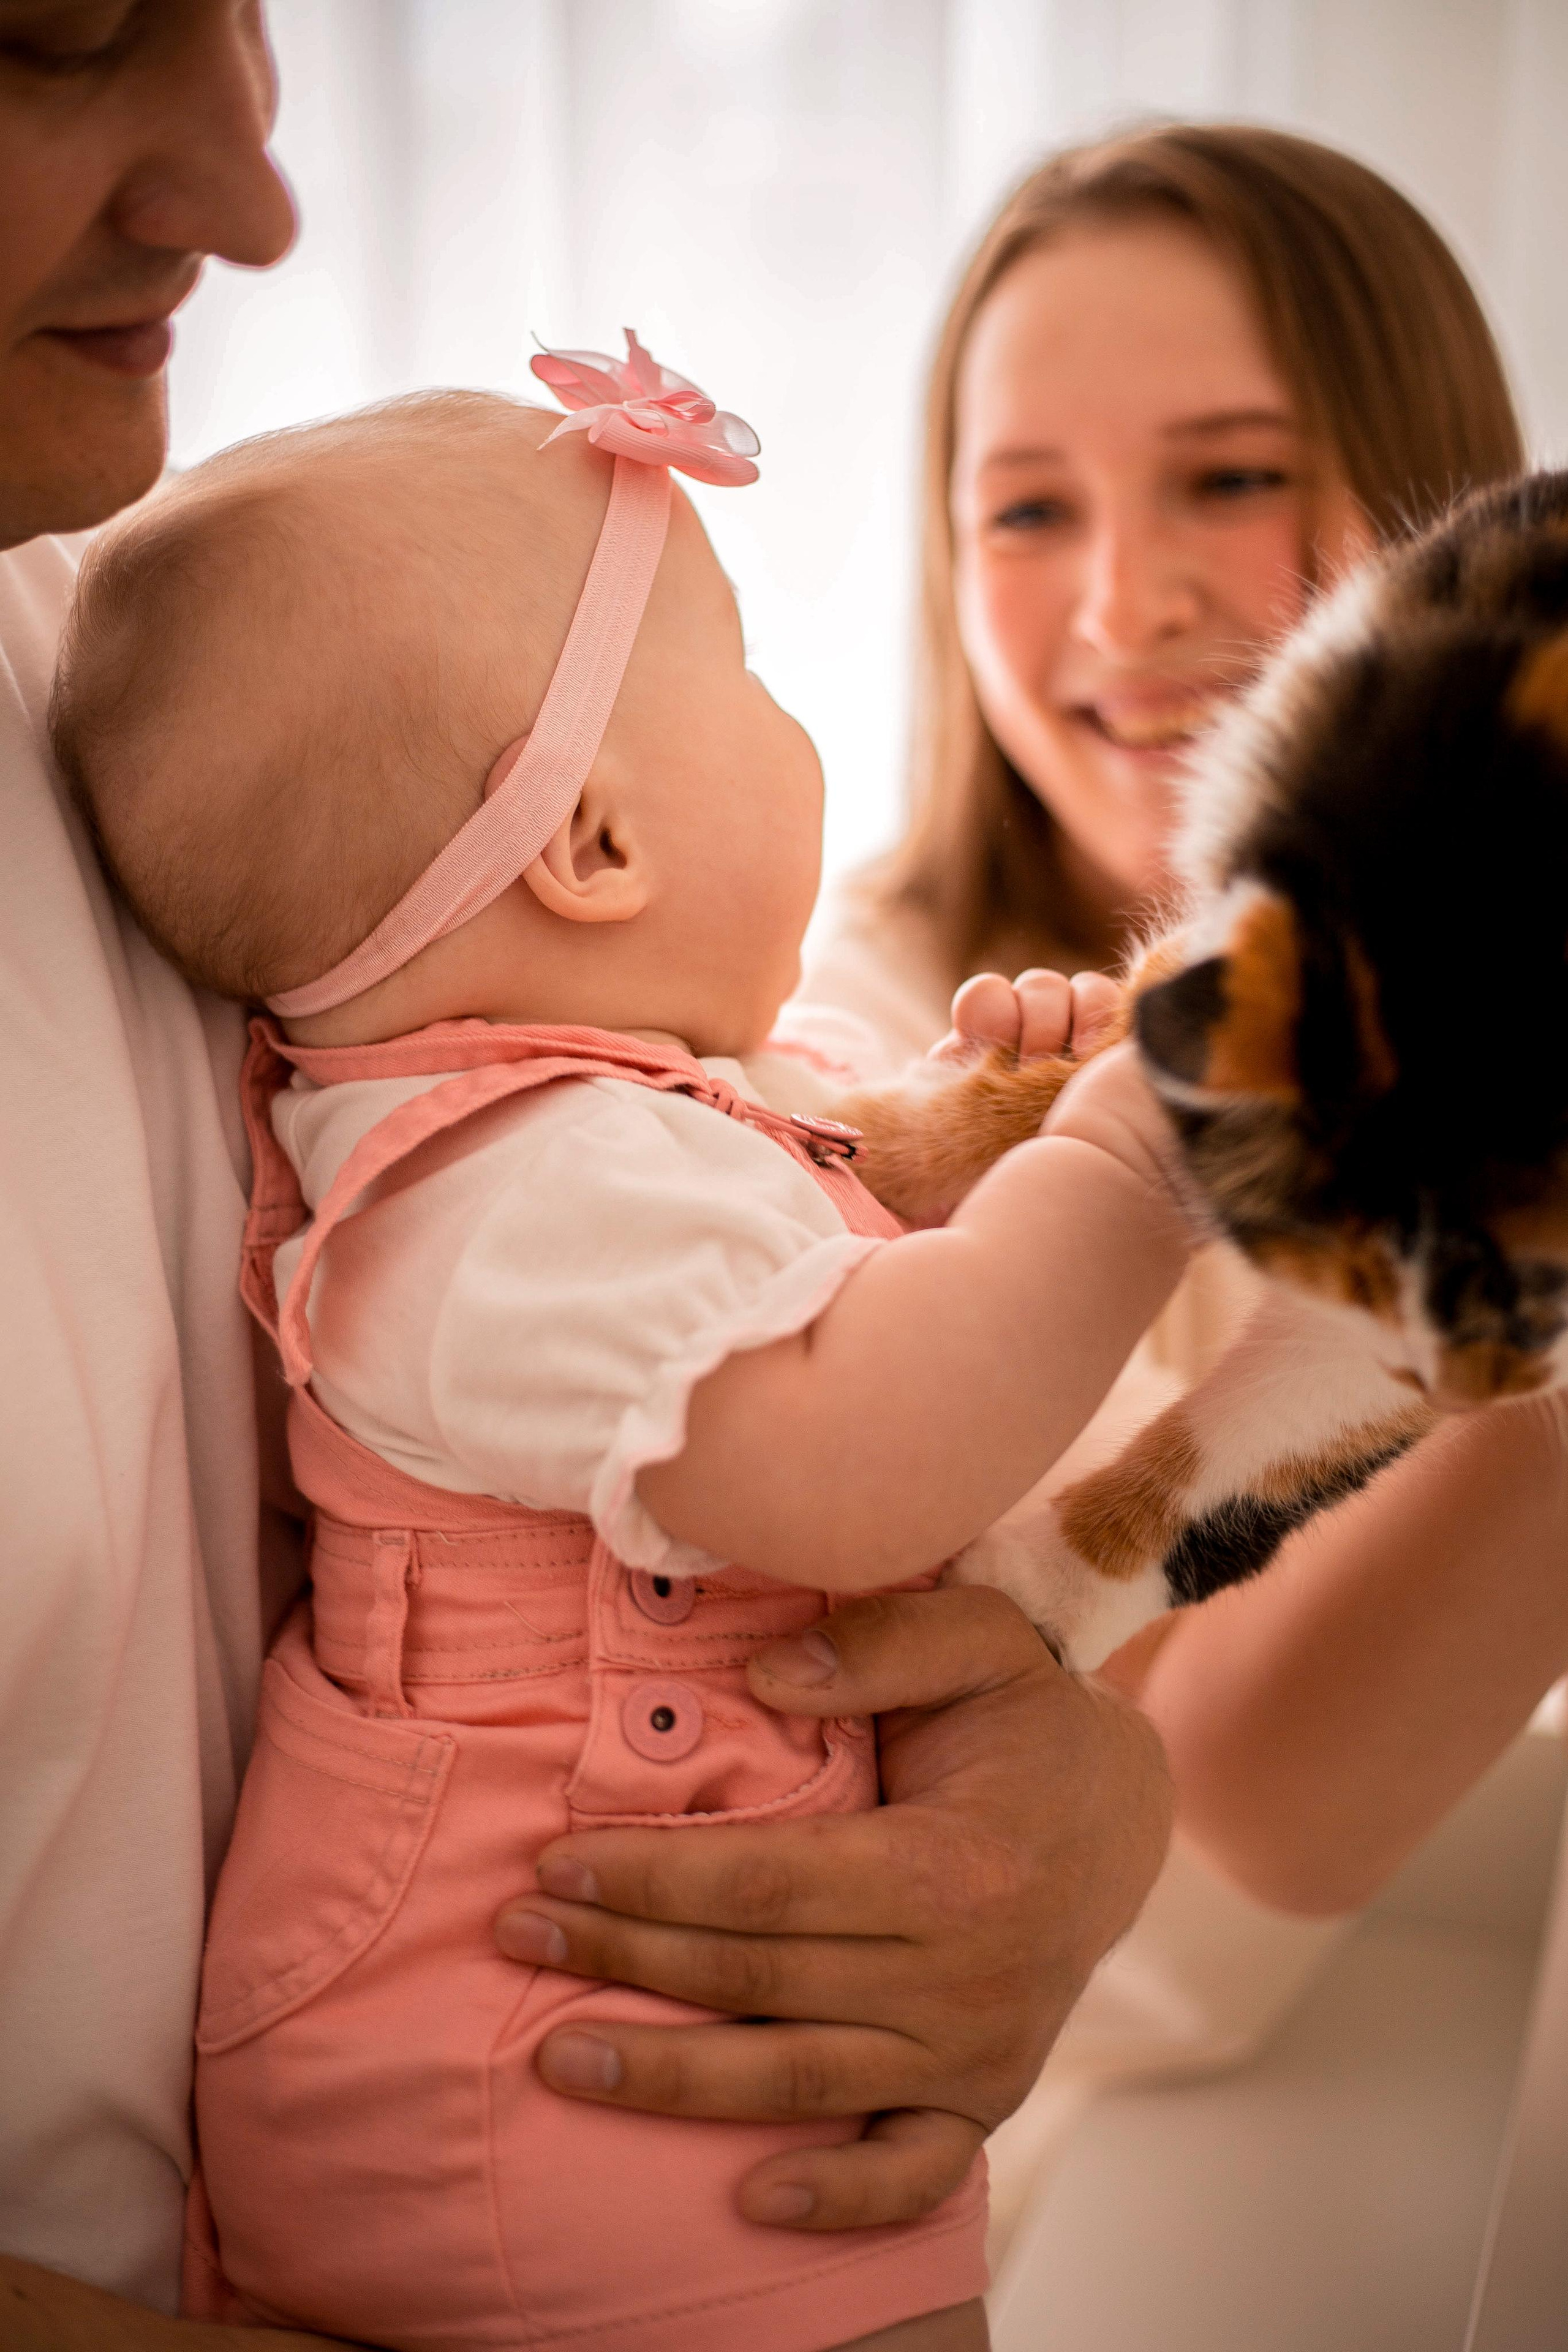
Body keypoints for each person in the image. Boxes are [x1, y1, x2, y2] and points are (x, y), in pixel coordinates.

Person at [0, 9, 1174, 2340]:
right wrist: (1154, 1154)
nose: (258, 203)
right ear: (599, 843)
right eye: (49, 44)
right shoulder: (507, 1170)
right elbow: (823, 1434)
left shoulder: (92, 642)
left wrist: (1059, 1798)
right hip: (516, 2114)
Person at [801, 118, 1568, 2174]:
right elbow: (1259, 1798)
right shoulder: (840, 1042)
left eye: (1232, 479)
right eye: (1024, 511)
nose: (1127, 605)